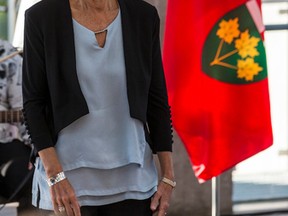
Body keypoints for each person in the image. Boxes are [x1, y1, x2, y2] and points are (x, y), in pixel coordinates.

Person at [22, 0, 175, 216]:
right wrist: (55, 176)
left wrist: (168, 177)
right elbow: (33, 104)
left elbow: (157, 101)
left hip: (135, 181)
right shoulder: (42, 17)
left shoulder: (144, 16)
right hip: (68, 184)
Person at [0, 39, 32, 207]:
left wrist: (37, 149)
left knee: (23, 174)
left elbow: (24, 111)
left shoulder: (7, 54)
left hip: (4, 142)